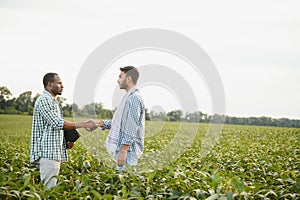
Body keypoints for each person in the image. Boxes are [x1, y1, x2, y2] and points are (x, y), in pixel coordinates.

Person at [30, 72, 98, 189]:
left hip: (54, 152)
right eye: (59, 83)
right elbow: (58, 123)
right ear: (50, 84)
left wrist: (67, 139)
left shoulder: (53, 101)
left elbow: (55, 125)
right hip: (48, 153)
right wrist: (84, 124)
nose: (62, 86)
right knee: (48, 190)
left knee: (50, 188)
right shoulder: (44, 100)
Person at [98, 66, 145, 168]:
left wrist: (124, 150)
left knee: (125, 181)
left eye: (120, 77)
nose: (118, 80)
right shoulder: (129, 97)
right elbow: (121, 123)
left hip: (128, 152)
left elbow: (131, 125)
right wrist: (101, 123)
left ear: (128, 79)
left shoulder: (134, 98)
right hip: (125, 150)